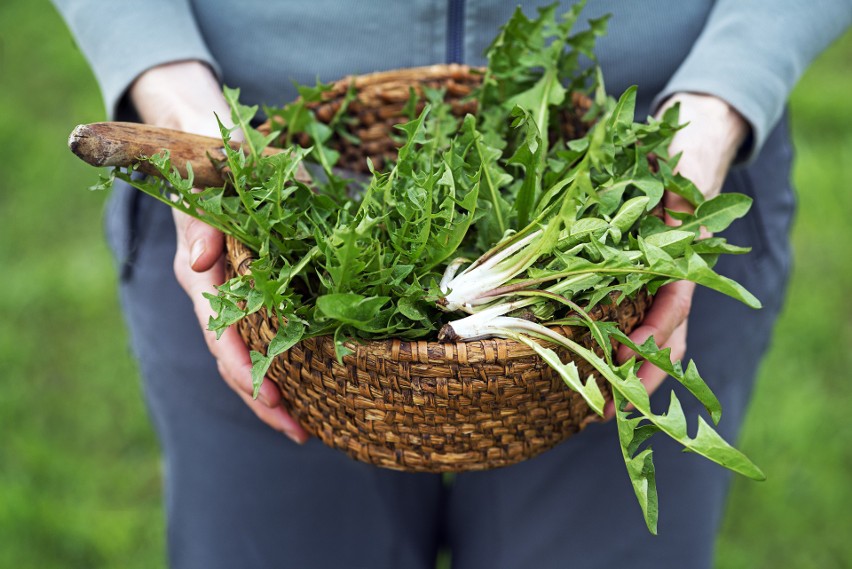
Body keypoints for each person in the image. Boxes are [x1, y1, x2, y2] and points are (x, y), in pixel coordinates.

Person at [51, 1, 851, 568]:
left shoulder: (664, 166)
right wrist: (168, 83)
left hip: (658, 181)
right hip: (248, 185)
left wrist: (721, 100)